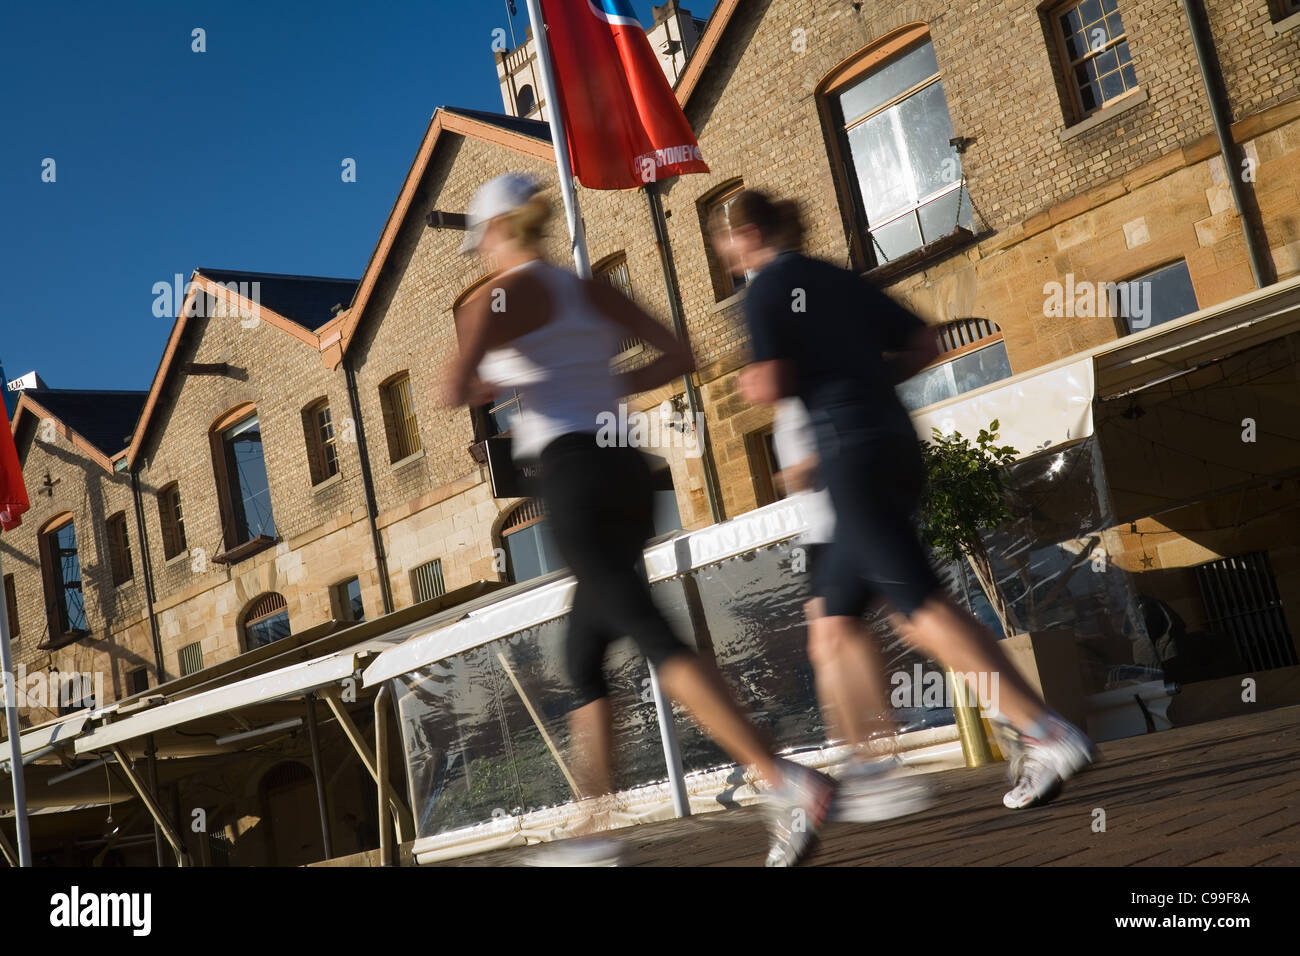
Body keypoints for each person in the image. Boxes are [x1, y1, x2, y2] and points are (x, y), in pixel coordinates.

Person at [443, 173, 836, 865]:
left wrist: (495, 368)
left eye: (481, 244)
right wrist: (598, 384)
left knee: (649, 631)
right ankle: (593, 832)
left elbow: (452, 387)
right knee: (583, 657)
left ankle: (784, 777)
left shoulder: (498, 297)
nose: (481, 258)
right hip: (627, 469)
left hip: (573, 479)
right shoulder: (590, 289)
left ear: (501, 232)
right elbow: (681, 355)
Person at [710, 190, 1097, 810]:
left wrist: (755, 381)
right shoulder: (836, 276)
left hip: (848, 457)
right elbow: (924, 343)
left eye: (725, 242)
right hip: (892, 443)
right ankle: (869, 771)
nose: (724, 256)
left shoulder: (763, 290)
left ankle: (1043, 730)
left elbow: (774, 381)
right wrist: (866, 382)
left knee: (918, 608)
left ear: (749, 233)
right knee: (832, 625)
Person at [771, 397, 932, 821]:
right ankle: (866, 755)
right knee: (832, 641)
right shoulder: (793, 395)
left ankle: (874, 755)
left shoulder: (814, 388)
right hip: (823, 532)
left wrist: (799, 471)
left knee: (856, 633)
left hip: (844, 526)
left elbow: (837, 446)